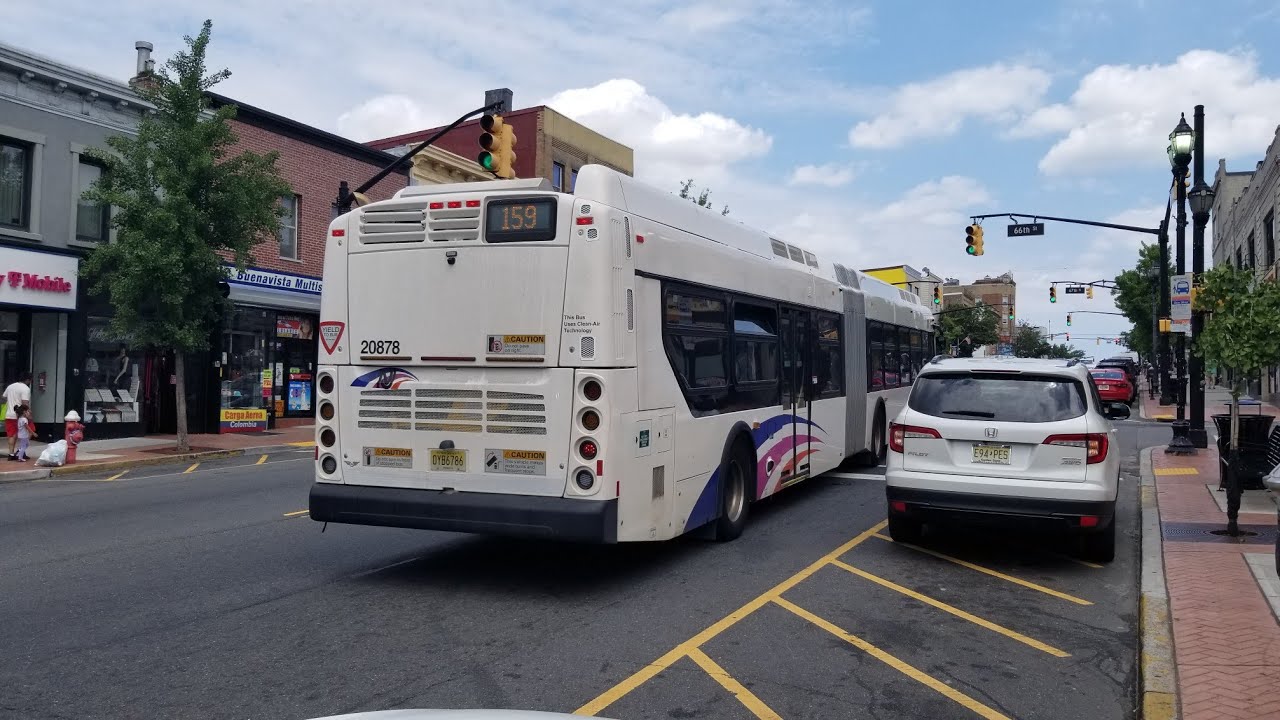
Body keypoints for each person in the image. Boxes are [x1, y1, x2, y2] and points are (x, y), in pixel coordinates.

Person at [4, 373, 31, 461]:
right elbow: (25, 403)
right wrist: (28, 414)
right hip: (20, 415)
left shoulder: (10, 387)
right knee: (29, 431)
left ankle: (11, 454)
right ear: (27, 380)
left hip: (9, 414)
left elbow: (4, 397)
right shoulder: (25, 388)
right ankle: (20, 451)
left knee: (12, 435)